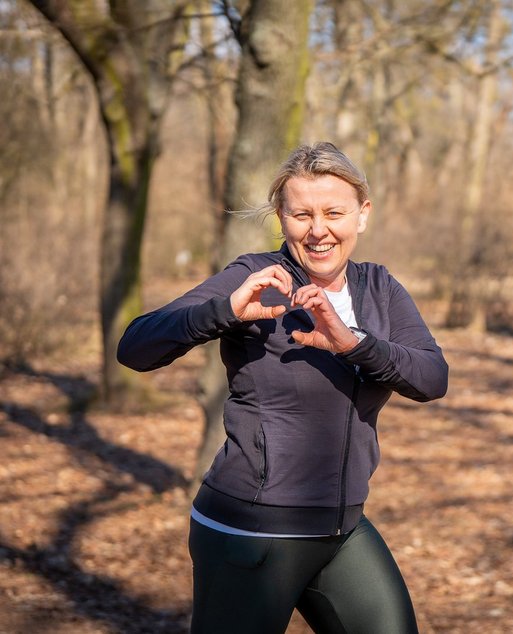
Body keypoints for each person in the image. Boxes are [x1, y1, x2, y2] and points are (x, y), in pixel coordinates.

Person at [117, 142, 448, 633]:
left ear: (362, 214)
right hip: (249, 528)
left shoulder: (379, 288)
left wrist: (353, 344)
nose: (318, 230)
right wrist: (224, 311)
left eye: (334, 212)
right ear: (281, 218)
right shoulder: (255, 277)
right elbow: (135, 347)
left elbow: (431, 378)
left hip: (341, 526)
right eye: (301, 214)